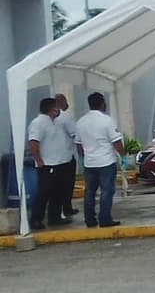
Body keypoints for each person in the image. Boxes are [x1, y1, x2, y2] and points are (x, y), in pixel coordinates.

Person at [74, 92, 125, 228]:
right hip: (106, 162)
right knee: (106, 191)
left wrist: (84, 157)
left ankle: (89, 220)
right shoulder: (107, 120)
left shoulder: (81, 122)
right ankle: (105, 219)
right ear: (103, 104)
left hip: (89, 163)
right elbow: (116, 141)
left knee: (89, 192)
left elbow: (78, 144)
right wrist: (123, 155)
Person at [26, 97, 75, 229]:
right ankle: (36, 219)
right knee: (44, 192)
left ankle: (55, 217)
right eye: (56, 107)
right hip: (48, 164)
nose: (58, 110)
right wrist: (39, 160)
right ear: (50, 109)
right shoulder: (38, 123)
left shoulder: (56, 122)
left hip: (61, 162)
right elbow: (33, 143)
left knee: (58, 192)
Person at [53, 93, 79, 218]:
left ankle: (60, 210)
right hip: (68, 155)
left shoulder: (50, 118)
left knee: (58, 186)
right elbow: (75, 134)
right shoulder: (66, 117)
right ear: (62, 102)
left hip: (54, 158)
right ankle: (67, 208)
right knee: (68, 184)